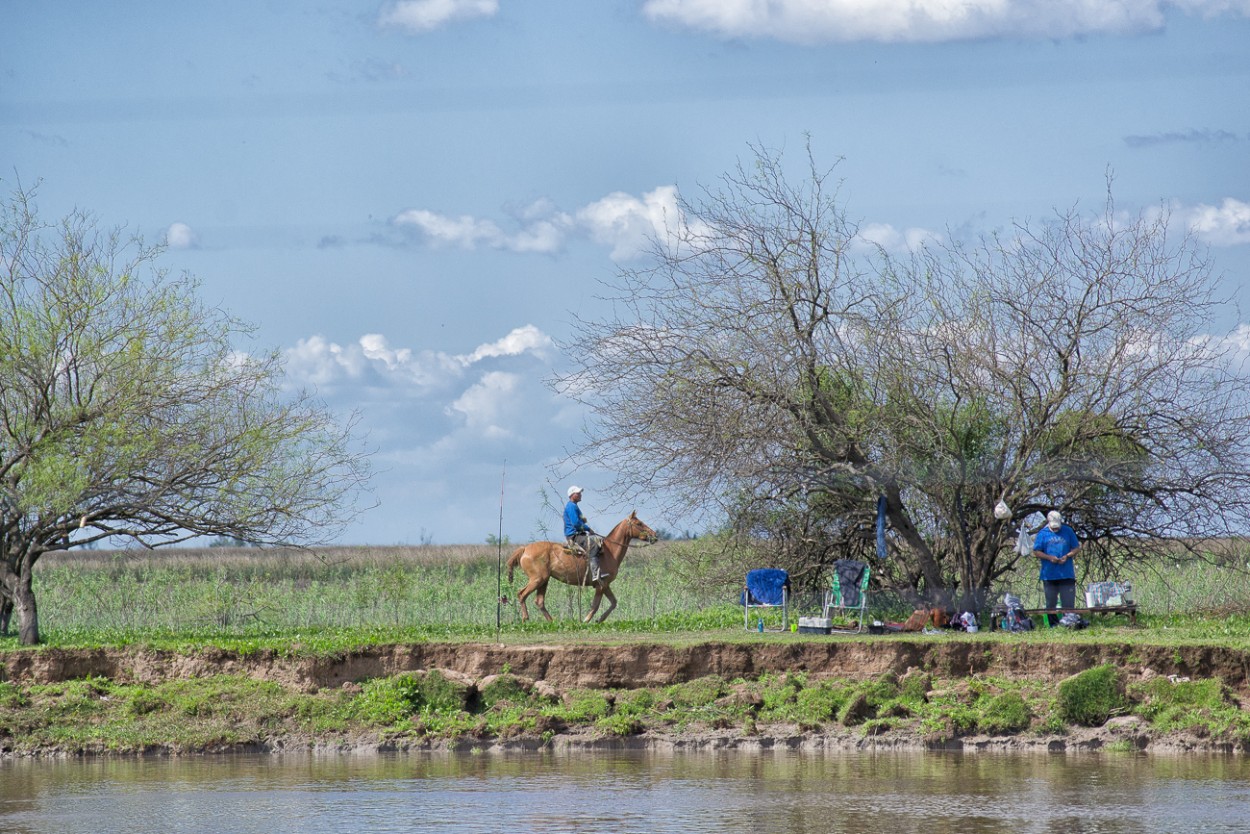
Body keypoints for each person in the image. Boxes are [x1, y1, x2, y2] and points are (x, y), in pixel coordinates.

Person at [1032, 509, 1080, 625]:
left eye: (1057, 527)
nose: (1056, 529)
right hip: (1049, 575)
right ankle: (1053, 625)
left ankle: (1069, 623)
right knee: (1051, 603)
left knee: (1068, 602)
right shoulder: (1042, 534)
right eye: (1053, 528)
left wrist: (1067, 556)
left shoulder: (1068, 531)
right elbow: (1036, 551)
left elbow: (1076, 548)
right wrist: (1049, 557)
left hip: (1066, 573)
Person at [564, 485, 608, 583]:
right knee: (594, 543)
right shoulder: (571, 506)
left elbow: (581, 521)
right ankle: (595, 574)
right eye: (578, 493)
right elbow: (575, 523)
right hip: (574, 536)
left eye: (580, 493)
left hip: (578, 534)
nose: (580, 495)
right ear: (572, 495)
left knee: (597, 539)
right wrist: (588, 528)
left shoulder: (574, 506)